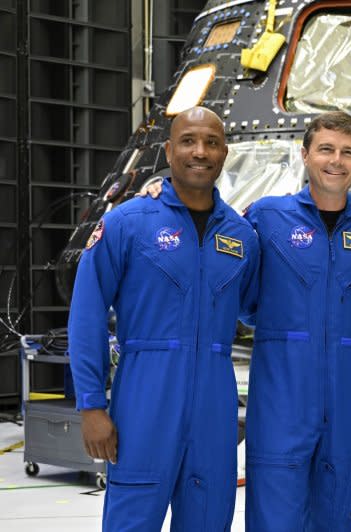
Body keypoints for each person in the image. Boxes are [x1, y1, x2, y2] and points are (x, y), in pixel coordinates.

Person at [68, 106, 260, 531]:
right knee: (132, 518)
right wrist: (91, 405)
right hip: (144, 396)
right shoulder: (127, 223)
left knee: (209, 517)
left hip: (215, 399)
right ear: (170, 150)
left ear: (224, 152)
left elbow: (257, 308)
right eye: (189, 141)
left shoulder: (242, 236)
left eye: (211, 142)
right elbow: (87, 314)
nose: (200, 151)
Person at [243, 111, 351, 531]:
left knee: (338, 511)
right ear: (305, 154)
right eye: (326, 150)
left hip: (347, 399)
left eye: (348, 152)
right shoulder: (266, 217)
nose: (336, 160)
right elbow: (226, 269)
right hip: (282, 396)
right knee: (275, 515)